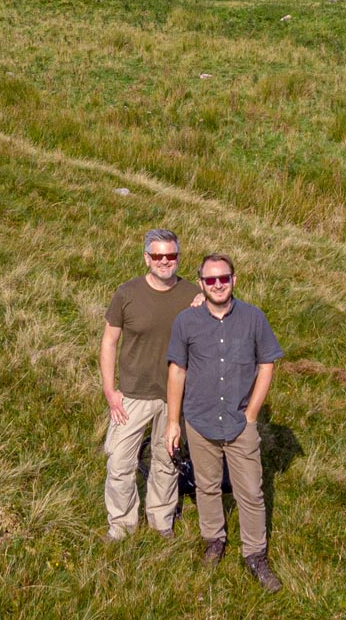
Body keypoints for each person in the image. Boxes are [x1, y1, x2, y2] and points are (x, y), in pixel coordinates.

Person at [166, 253, 283, 592]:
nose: (218, 284)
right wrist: (174, 422)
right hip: (199, 420)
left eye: (224, 278)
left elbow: (267, 364)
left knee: (250, 491)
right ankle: (213, 541)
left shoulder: (254, 318)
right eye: (211, 280)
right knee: (207, 486)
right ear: (201, 283)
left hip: (239, 421)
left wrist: (251, 414)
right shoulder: (186, 322)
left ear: (234, 279)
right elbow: (177, 370)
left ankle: (255, 555)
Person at [100, 228, 199, 542]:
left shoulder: (193, 295)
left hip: (175, 397)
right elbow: (109, 343)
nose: (165, 261)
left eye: (171, 255)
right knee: (119, 461)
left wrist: (205, 302)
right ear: (147, 258)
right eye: (158, 256)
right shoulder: (126, 293)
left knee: (166, 461)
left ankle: (161, 523)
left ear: (178, 257)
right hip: (132, 394)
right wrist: (110, 391)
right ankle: (121, 526)